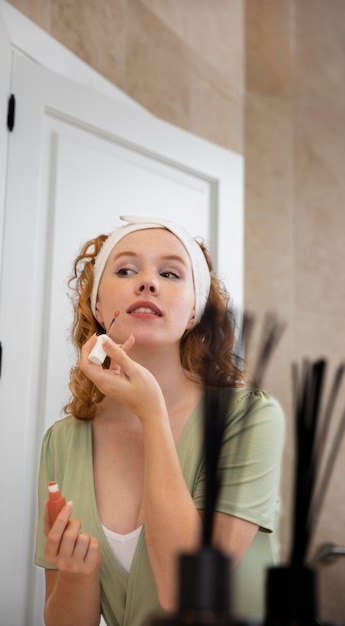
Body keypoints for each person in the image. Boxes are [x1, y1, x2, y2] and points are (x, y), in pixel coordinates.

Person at [34, 215, 285, 626]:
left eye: (170, 273)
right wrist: (78, 576)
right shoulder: (64, 441)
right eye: (126, 270)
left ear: (194, 313)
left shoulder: (248, 419)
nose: (147, 282)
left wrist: (152, 415)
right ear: (98, 306)